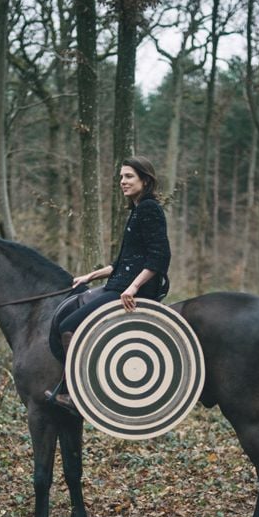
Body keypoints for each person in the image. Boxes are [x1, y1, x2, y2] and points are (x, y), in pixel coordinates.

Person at [46, 155, 171, 413]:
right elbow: (123, 262)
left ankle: (74, 395)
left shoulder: (149, 209)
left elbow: (159, 256)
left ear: (145, 180)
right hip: (120, 284)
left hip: (129, 291)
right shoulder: (137, 210)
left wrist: (133, 288)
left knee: (69, 326)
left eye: (128, 176)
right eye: (121, 177)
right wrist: (89, 277)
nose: (122, 181)